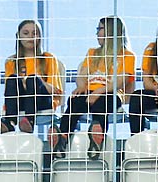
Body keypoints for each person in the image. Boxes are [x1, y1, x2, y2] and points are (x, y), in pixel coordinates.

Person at [54, 17, 134, 157]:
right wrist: (80, 86)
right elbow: (82, 75)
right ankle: (63, 137)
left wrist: (99, 91)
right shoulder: (92, 53)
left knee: (103, 103)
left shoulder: (127, 56)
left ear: (110, 31)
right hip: (89, 92)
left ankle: (97, 136)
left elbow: (120, 82)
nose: (97, 33)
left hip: (110, 93)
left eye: (100, 29)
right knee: (74, 101)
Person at [0, 20, 62, 135]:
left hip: (43, 101)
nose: (30, 37)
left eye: (34, 33)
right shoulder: (12, 61)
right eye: (26, 33)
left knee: (33, 79)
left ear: (40, 37)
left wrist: (34, 81)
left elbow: (54, 90)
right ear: (19, 36)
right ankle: (10, 123)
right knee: (13, 79)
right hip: (20, 102)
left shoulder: (48, 58)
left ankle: (29, 121)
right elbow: (10, 91)